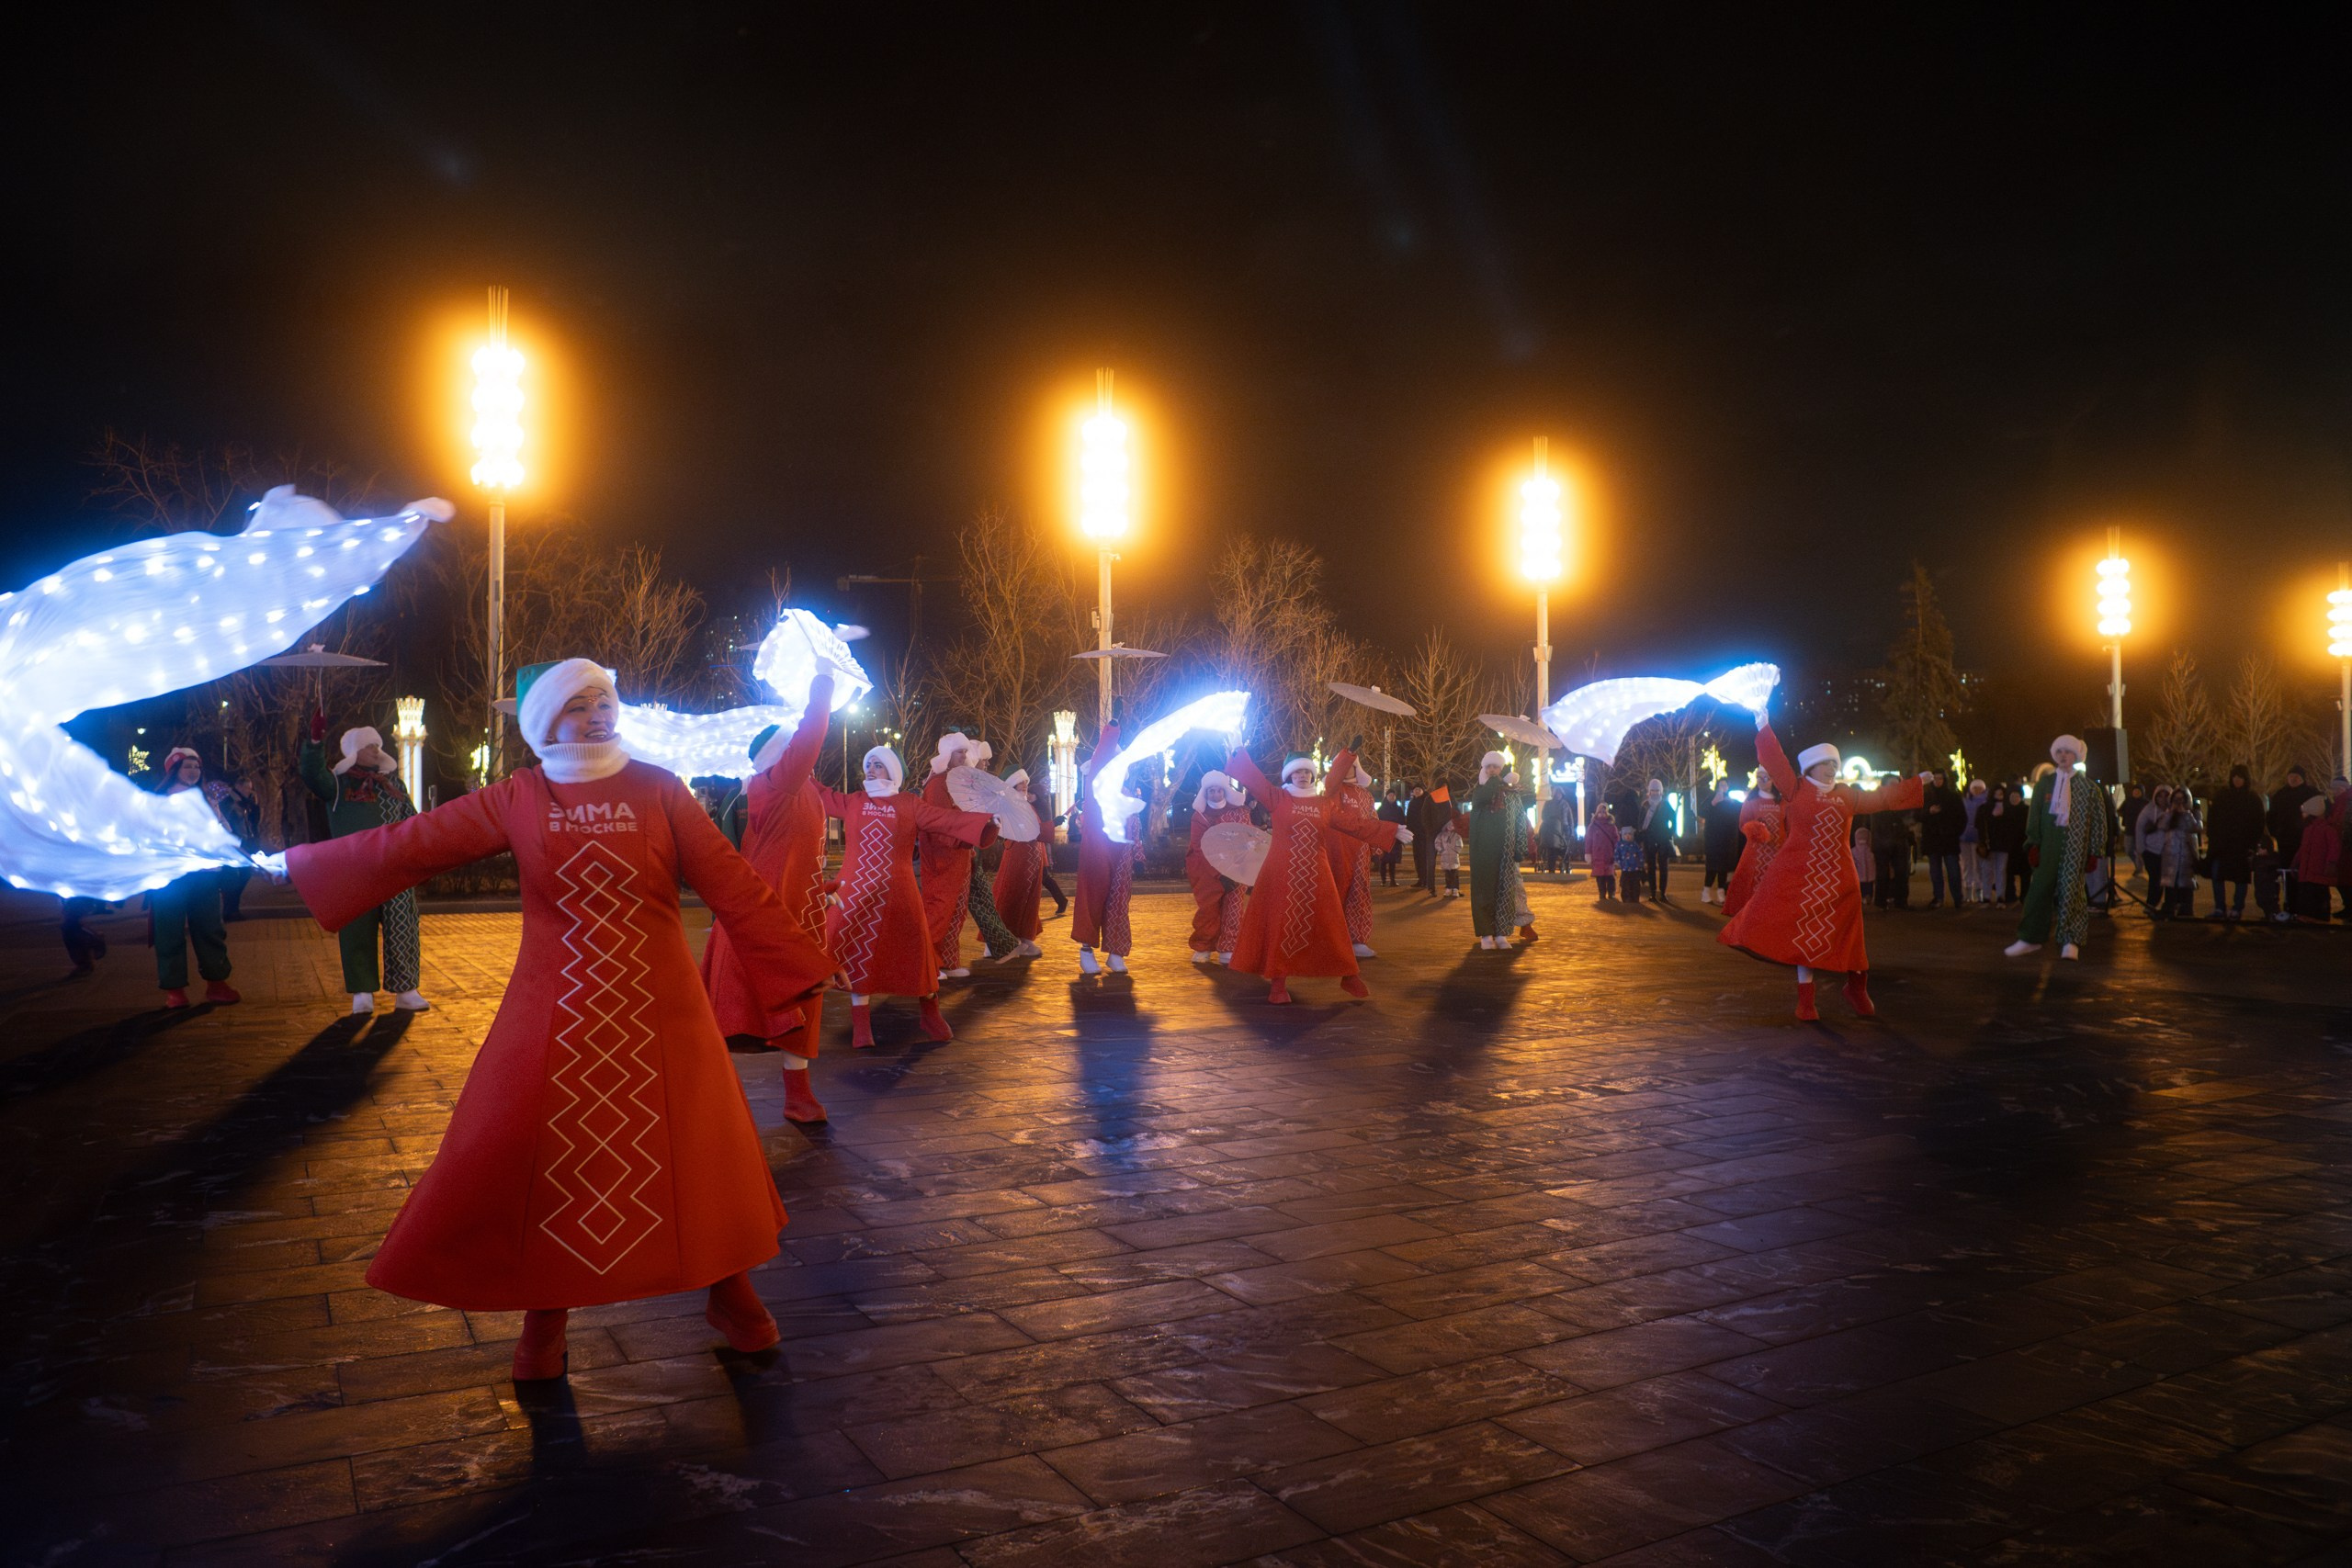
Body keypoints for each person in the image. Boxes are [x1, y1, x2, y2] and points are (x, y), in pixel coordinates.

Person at [281, 658, 835, 1382]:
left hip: (664, 1015)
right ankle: (545, 1320)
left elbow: (733, 884)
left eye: (604, 700)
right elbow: (413, 843)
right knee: (539, 1161)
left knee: (696, 1154)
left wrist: (798, 965)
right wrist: (307, 865)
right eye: (578, 705)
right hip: (555, 1017)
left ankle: (732, 1296)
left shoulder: (660, 789)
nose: (597, 714)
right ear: (546, 721)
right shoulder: (521, 795)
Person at [1719, 709, 1928, 1020]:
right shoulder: (1795, 788)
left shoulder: (1846, 795)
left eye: (1835, 764)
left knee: (1850, 933)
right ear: (1811, 767)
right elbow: (1775, 760)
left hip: (1840, 877)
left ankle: (1857, 987)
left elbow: (1882, 798)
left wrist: (1916, 783)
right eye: (1827, 763)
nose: (1832, 769)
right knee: (1806, 936)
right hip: (1801, 875)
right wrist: (1763, 725)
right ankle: (1806, 1001)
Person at [700, 675, 837, 1124]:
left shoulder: (798, 787)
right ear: (780, 754)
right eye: (791, 746)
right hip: (773, 913)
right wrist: (822, 682)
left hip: (797, 906)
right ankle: (705, 1092)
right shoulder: (779, 783)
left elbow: (791, 851)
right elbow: (812, 734)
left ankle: (796, 1095)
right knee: (756, 1002)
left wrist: (823, 886)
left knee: (800, 1001)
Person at [820, 744, 994, 1045]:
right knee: (857, 954)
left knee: (917, 952)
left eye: (878, 764)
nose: (870, 769)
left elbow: (945, 820)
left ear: (893, 770)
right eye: (869, 764)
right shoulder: (854, 801)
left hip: (899, 892)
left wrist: (985, 822)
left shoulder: (909, 804)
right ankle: (861, 1025)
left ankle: (930, 1014)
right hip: (857, 891)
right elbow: (819, 794)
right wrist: (784, 765)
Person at [1221, 747, 1400, 1002]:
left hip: (1317, 872)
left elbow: (1354, 824)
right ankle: (1278, 984)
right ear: (1289, 775)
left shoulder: (1324, 804)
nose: (1303, 776)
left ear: (1313, 775)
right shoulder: (1278, 798)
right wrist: (1239, 753)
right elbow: (1255, 779)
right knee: (1281, 923)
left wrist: (1389, 831)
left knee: (1332, 923)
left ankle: (1349, 976)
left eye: (1307, 772)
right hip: (1281, 872)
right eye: (1298, 772)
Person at [301, 716, 430, 1015]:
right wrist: (315, 743)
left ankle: (406, 990)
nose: (376, 750)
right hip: (355, 870)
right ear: (354, 751)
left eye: (377, 745)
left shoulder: (392, 783)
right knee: (357, 929)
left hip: (394, 868)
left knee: (403, 926)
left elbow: (411, 820)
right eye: (369, 746)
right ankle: (362, 992)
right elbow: (311, 773)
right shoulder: (339, 784)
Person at [2007, 736, 2117, 960]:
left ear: (2076, 755)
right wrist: (2033, 843)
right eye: (2060, 752)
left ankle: (2070, 940)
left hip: (2076, 846)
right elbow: (2035, 815)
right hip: (2049, 844)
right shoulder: (2045, 785)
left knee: (2072, 893)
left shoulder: (2089, 788)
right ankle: (2030, 938)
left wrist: (2095, 850)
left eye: (2068, 752)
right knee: (2039, 890)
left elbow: (2099, 821)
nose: (2063, 756)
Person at [149, 748, 240, 1009]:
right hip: (171, 877)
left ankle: (217, 984)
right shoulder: (159, 800)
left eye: (196, 767)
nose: (193, 771)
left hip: (205, 876)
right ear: (174, 770)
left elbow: (223, 830)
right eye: (187, 766)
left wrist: (229, 843)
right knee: (169, 932)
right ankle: (175, 991)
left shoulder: (208, 799)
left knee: (210, 929)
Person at [920, 731, 1001, 979]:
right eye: (959, 752)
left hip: (960, 855)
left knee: (956, 910)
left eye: (965, 751)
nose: (964, 756)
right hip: (942, 857)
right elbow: (941, 823)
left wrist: (985, 821)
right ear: (947, 754)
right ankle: (928, 965)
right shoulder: (937, 784)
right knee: (940, 910)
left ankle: (947, 961)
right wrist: (970, 829)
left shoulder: (958, 782)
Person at [1185, 770, 1252, 964]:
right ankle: (1203, 946)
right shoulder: (1200, 816)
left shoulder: (1239, 812)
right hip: (1208, 870)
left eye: (1219, 790)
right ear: (1205, 793)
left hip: (1236, 868)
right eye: (1211, 791)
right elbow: (1199, 846)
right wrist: (1218, 873)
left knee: (1234, 908)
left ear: (1225, 791)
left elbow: (1248, 837)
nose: (1215, 794)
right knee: (1209, 909)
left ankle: (1229, 947)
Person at [1327, 754, 1383, 957]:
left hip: (1360, 852)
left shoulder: (1365, 795)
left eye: (1350, 765)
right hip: (1335, 850)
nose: (1346, 769)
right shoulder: (1331, 791)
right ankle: (1332, 939)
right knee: (1334, 892)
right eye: (1342, 766)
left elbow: (1372, 821)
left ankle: (1357, 939)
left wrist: (1376, 847)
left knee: (1359, 891)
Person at [990, 770, 1050, 959]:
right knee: (1011, 895)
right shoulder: (1008, 805)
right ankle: (996, 939)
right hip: (1019, 855)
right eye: (1020, 782)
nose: (1025, 785)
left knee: (1030, 899)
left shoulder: (1027, 805)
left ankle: (1025, 938)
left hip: (1033, 857)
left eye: (1026, 782)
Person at [2205, 766, 2267, 920]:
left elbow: (2259, 823)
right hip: (2222, 845)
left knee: (2240, 878)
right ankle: (2219, 907)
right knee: (2217, 876)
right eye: (2234, 777)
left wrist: (2252, 843)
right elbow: (2212, 819)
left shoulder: (2252, 799)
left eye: (2240, 777)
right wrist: (2213, 837)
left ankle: (2237, 908)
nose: (2237, 780)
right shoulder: (2222, 796)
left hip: (2242, 846)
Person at [2267, 767, 2319, 920]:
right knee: (2288, 873)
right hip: (2285, 841)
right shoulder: (2280, 794)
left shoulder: (2311, 793)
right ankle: (2290, 905)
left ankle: (2306, 907)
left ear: (2302, 778)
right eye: (2291, 776)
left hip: (2306, 841)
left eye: (2297, 776)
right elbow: (2271, 816)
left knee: (2305, 874)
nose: (2293, 779)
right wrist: (2276, 832)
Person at [2151, 785, 2202, 919]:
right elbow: (2161, 826)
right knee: (2170, 883)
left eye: (2181, 800)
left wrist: (2185, 813)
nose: (2179, 803)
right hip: (2170, 854)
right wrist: (2171, 812)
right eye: (2176, 800)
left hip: (2186, 855)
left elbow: (2195, 827)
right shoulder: (2168, 814)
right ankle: (2169, 908)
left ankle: (2186, 909)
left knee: (2186, 883)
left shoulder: (2192, 814)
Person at [2291, 788, 2343, 921]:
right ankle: (2310, 916)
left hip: (2317, 870)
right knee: (2309, 895)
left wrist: (2331, 863)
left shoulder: (2325, 830)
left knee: (2317, 895)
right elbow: (2303, 848)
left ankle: (2318, 917)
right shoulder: (2311, 829)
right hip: (2310, 870)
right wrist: (2296, 861)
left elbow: (2334, 848)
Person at [1918, 771, 1963, 908]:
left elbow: (1961, 817)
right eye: (1935, 779)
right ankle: (1938, 897)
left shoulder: (1953, 797)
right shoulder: (1926, 797)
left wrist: (1954, 832)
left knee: (1953, 871)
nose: (1938, 781)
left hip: (1949, 839)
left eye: (1940, 778)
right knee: (1935, 871)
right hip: (1933, 839)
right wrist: (1929, 812)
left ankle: (1957, 898)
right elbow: (1918, 815)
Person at [2132, 784, 2174, 915]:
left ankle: (2168, 906)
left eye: (2166, 796)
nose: (2163, 799)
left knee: (2167, 880)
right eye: (2160, 796)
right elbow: (2139, 829)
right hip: (2151, 851)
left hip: (2169, 851)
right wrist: (2142, 850)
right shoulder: (2149, 810)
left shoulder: (2173, 811)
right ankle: (2151, 904)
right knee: (2155, 879)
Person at [1701, 780, 1742, 906]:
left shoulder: (1731, 801)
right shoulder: (1711, 799)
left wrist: (1733, 803)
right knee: (1712, 867)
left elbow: (1739, 812)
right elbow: (1702, 812)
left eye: (1725, 785)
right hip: (1713, 840)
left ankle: (1721, 893)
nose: (1723, 787)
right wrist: (1713, 803)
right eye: (1721, 785)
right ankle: (1706, 892)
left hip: (1727, 840)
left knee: (1724, 867)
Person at [1636, 778, 1676, 900]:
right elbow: (1640, 822)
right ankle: (1653, 893)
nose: (1655, 792)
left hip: (1663, 839)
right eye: (1653, 790)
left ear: (1661, 791)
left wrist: (1669, 833)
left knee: (1664, 867)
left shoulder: (1665, 804)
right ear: (1649, 791)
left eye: (1657, 790)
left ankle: (1663, 893)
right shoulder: (1645, 805)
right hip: (1649, 839)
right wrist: (1642, 835)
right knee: (1651, 866)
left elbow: (1673, 819)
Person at [1979, 784, 2018, 905]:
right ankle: (1987, 896)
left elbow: (2012, 825)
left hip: (2002, 844)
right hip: (1990, 844)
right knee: (1988, 870)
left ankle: (2000, 896)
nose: (1998, 796)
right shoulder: (1985, 808)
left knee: (2000, 871)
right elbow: (1980, 825)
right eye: (1996, 793)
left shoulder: (2007, 808)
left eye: (2000, 794)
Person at [1958, 778, 1991, 904]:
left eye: (1979, 788)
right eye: (1974, 788)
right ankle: (1967, 890)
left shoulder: (1986, 802)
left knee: (1978, 865)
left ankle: (1978, 890)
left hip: (1978, 838)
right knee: (1966, 864)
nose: (1977, 790)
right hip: (1964, 837)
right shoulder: (1965, 801)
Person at [1405, 784, 1442, 893]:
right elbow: (1409, 818)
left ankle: (1427, 880)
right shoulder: (1412, 802)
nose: (1417, 791)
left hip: (1426, 834)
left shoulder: (1428, 800)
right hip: (1415, 834)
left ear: (1422, 790)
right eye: (1415, 789)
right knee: (1418, 857)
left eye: (1419, 789)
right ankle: (1420, 879)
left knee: (1426, 858)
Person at [1377, 789, 1409, 886]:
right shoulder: (1381, 809)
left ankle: (1393, 880)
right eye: (1390, 795)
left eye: (1393, 795)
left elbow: (1403, 822)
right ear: (1386, 797)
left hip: (1395, 837)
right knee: (1383, 860)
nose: (1392, 797)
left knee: (1392, 861)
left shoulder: (1398, 809)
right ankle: (1383, 881)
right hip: (1384, 838)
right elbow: (1377, 822)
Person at [1589, 803, 1619, 898]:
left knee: (1610, 876)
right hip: (1597, 855)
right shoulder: (1593, 826)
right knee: (1600, 877)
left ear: (1607, 813)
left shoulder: (1612, 826)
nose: (1602, 814)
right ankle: (1602, 893)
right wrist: (1588, 853)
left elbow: (1616, 840)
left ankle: (1611, 893)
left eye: (1604, 812)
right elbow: (1588, 841)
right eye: (1600, 812)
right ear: (1597, 813)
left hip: (1609, 855)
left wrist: (1617, 852)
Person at [1615, 823, 1645, 905]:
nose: (1628, 836)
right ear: (1623, 835)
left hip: (1635, 869)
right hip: (1625, 869)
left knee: (1635, 884)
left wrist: (1640, 863)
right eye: (1625, 834)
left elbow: (1640, 854)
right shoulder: (1620, 845)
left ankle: (1635, 898)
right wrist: (1618, 862)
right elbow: (1617, 854)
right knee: (1625, 885)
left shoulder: (1635, 845)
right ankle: (1626, 898)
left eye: (1629, 834)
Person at [1434, 815, 1464, 897]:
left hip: (1454, 857)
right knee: (1447, 874)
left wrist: (1456, 851)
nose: (1451, 826)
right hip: (1445, 857)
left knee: (1455, 873)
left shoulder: (1456, 835)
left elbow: (1459, 845)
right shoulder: (1441, 835)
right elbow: (1437, 843)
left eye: (1452, 825)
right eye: (1449, 825)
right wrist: (1441, 850)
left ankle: (1455, 889)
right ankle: (1449, 888)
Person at [1851, 822, 1875, 903]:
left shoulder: (1854, 851)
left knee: (1863, 886)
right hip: (1869, 875)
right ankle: (1867, 897)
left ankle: (1865, 897)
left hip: (1860, 875)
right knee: (1868, 887)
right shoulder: (1871, 850)